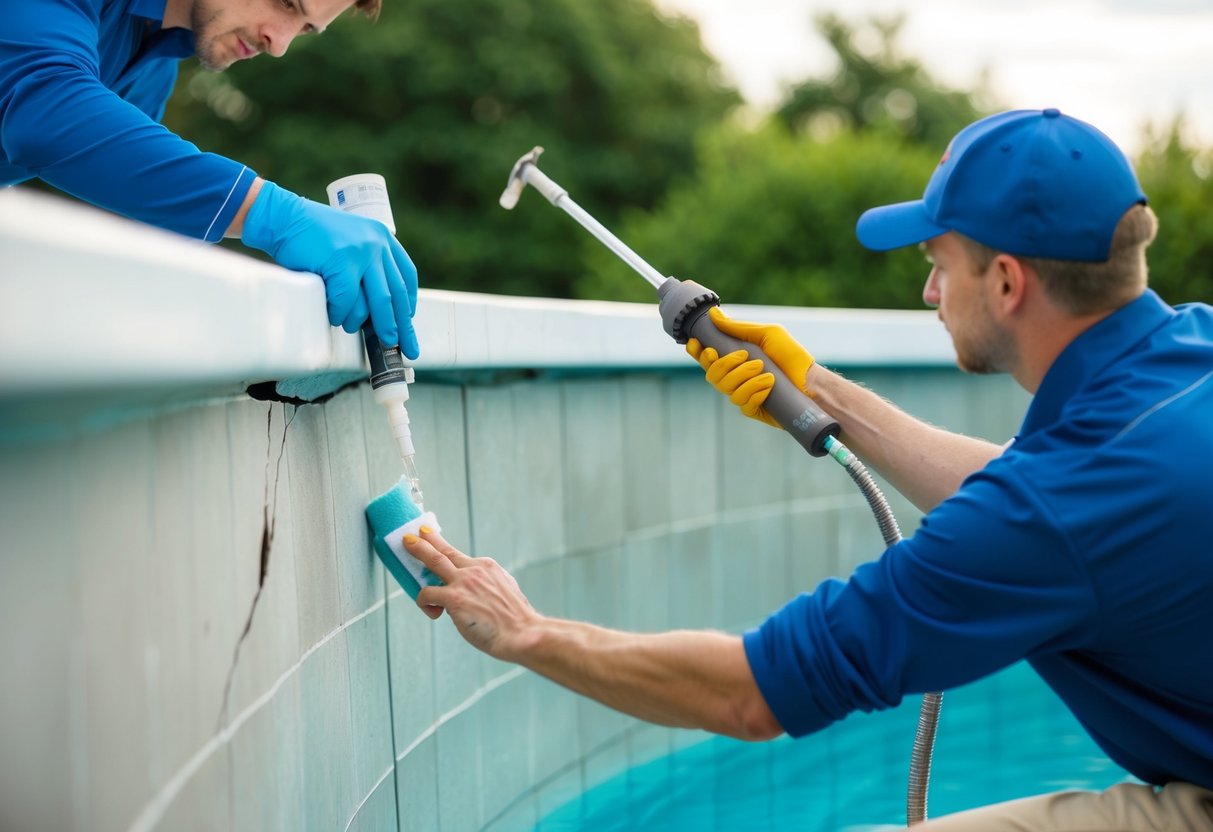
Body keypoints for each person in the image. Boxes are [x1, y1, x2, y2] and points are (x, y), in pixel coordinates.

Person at [401, 108, 1213, 829]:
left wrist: (530, 634)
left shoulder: (1057, 507)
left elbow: (750, 694)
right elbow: (1055, 508)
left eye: (939, 260)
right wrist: (815, 387)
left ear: (1005, 281)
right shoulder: (1187, 361)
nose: (930, 291)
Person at [0, 0, 418, 358]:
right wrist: (271, 214)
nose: (280, 43)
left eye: (306, 28)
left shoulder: (152, 69)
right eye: (286, 3)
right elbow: (44, 109)